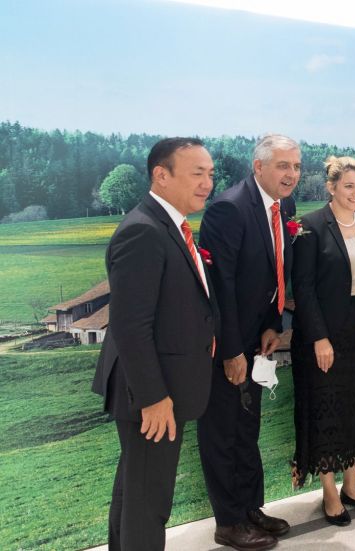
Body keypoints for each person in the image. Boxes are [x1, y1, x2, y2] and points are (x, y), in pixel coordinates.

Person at [91, 138, 218, 550]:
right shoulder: (144, 232)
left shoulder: (170, 225)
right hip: (151, 394)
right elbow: (130, 326)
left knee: (135, 492)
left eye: (211, 174)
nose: (207, 183)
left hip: (160, 387)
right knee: (150, 501)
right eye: (197, 173)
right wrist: (153, 397)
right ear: (161, 176)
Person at [197, 134, 300, 550]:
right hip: (229, 344)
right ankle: (228, 522)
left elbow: (274, 272)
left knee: (247, 426)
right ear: (258, 168)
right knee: (223, 431)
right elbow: (220, 287)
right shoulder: (228, 208)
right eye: (282, 166)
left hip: (259, 337)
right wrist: (232, 350)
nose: (291, 174)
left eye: (295, 166)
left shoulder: (283, 206)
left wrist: (274, 325)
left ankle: (249, 509)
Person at [290, 155, 355, 526]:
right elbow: (304, 289)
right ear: (331, 188)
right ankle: (329, 493)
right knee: (326, 411)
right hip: (324, 336)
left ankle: (352, 485)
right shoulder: (309, 227)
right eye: (348, 186)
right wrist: (319, 338)